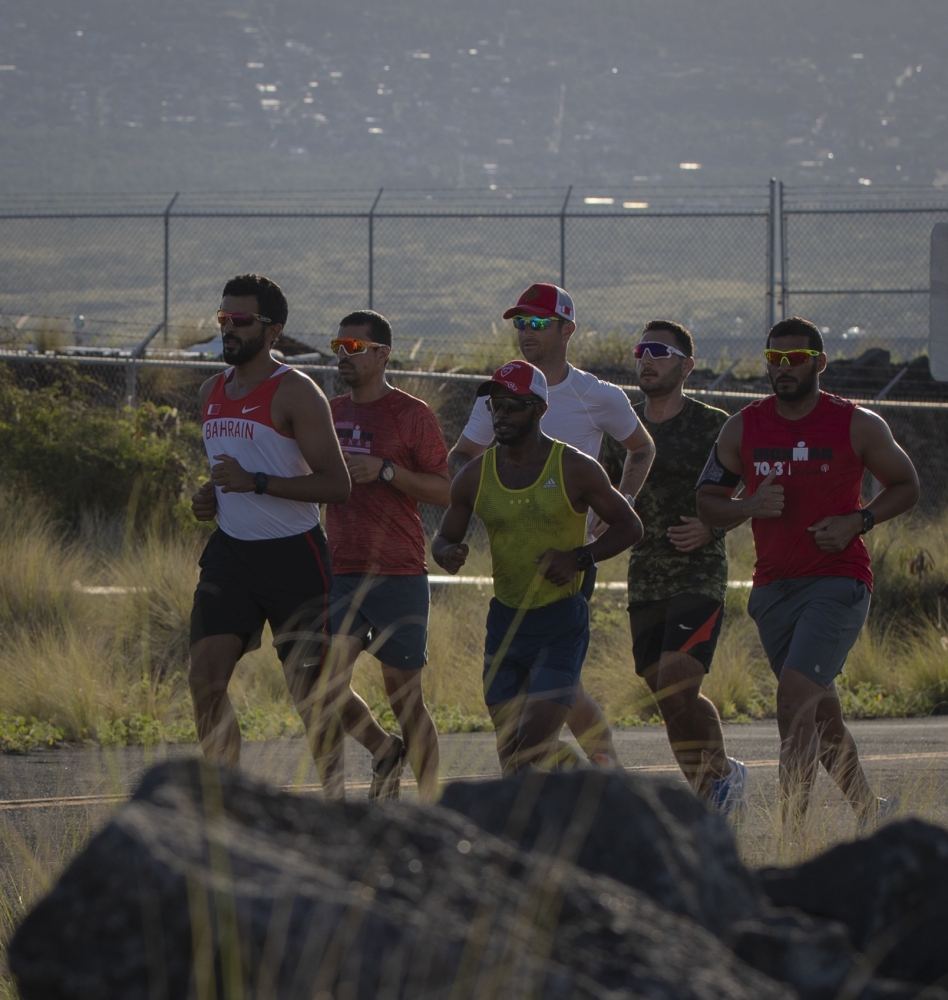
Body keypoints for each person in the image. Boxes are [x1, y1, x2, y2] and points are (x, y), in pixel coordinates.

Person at [696, 316, 919, 826]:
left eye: (795, 359)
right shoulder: (744, 427)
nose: (783, 368)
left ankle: (790, 839)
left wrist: (857, 521)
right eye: (774, 359)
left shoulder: (857, 424)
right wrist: (749, 505)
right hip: (774, 589)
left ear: (820, 362)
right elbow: (708, 501)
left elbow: (906, 484)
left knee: (794, 700)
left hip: (839, 581)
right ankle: (870, 812)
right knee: (821, 713)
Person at [447, 283, 654, 764]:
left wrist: (621, 500)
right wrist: (482, 496)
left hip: (568, 562)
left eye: (538, 323)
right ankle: (587, 779)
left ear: (568, 330)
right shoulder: (499, 393)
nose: (526, 332)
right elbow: (462, 455)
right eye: (520, 323)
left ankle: (595, 779)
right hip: (512, 562)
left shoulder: (596, 394)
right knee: (558, 697)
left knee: (557, 697)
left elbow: (641, 448)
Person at [188, 273, 351, 785]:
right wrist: (211, 496)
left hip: (293, 556)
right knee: (204, 683)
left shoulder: (297, 393)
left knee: (310, 694)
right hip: (230, 555)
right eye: (223, 318)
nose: (228, 329)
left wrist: (256, 482)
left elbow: (337, 485)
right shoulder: (210, 391)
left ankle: (335, 805)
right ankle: (227, 806)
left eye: (241, 320)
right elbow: (230, 471)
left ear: (273, 330)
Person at [324, 310, 450, 802]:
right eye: (339, 346)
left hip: (398, 572)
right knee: (323, 684)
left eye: (355, 348)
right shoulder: (328, 411)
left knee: (405, 699)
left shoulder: (411, 415)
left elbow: (445, 491)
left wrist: (386, 471)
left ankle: (433, 809)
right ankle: (382, 751)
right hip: (340, 570)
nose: (343, 356)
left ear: (382, 355)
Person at [625, 320, 747, 815]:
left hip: (699, 574)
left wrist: (712, 528)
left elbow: (740, 489)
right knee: (668, 698)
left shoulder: (711, 424)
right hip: (644, 575)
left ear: (685, 365)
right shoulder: (626, 426)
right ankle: (714, 788)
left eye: (658, 351)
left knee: (679, 682)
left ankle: (717, 786)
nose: (646, 360)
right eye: (641, 351)